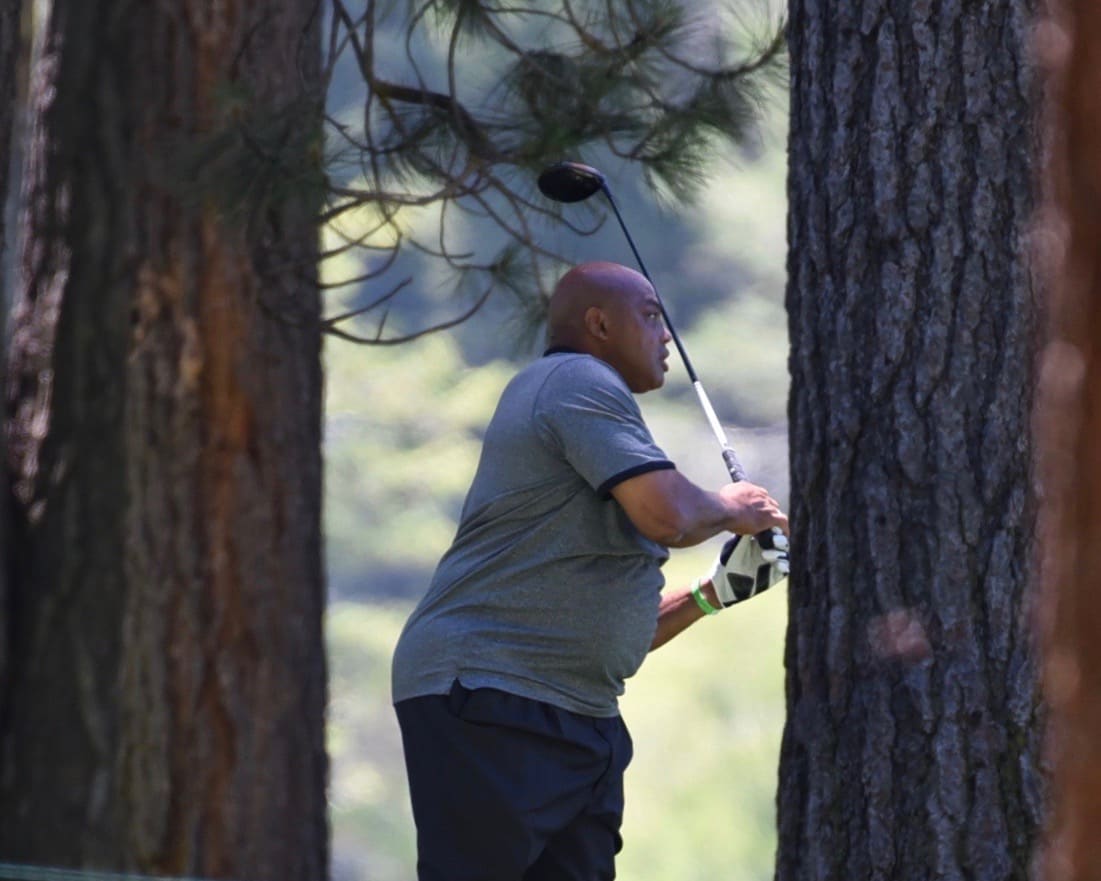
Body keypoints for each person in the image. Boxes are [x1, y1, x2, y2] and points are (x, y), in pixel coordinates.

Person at [391, 261, 789, 881]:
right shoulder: (575, 379)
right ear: (599, 324)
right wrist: (733, 508)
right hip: (489, 694)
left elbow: (602, 625)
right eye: (652, 316)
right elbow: (669, 517)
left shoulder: (600, 417)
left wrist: (715, 593)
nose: (667, 338)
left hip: (575, 716)